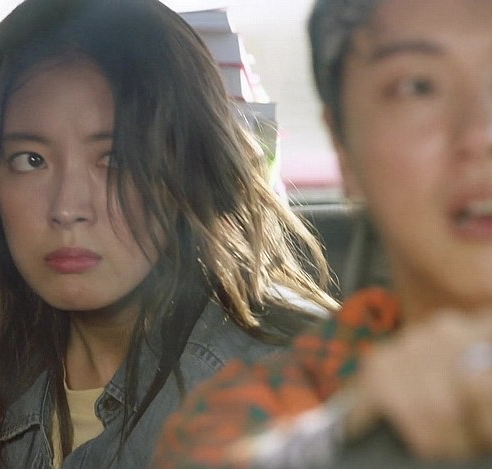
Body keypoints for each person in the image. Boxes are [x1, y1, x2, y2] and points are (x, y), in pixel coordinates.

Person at [0, 0, 337, 467]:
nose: (66, 209)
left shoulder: (298, 386)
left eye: (115, 159)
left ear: (188, 168)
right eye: (30, 160)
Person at [154, 0, 492, 467]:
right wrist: (347, 437)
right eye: (418, 87)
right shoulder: (257, 411)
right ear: (343, 148)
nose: (481, 134)